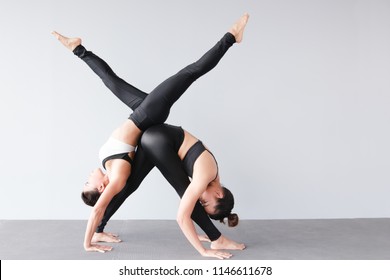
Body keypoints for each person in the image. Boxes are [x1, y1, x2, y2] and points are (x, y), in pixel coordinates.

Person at [52, 13, 249, 257]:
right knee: (190, 72)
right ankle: (230, 37)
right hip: (152, 125)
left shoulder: (208, 176)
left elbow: (184, 211)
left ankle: (78, 49)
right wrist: (203, 251)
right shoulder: (207, 173)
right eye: (206, 202)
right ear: (219, 193)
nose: (201, 200)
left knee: (113, 82)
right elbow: (183, 214)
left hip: (152, 130)